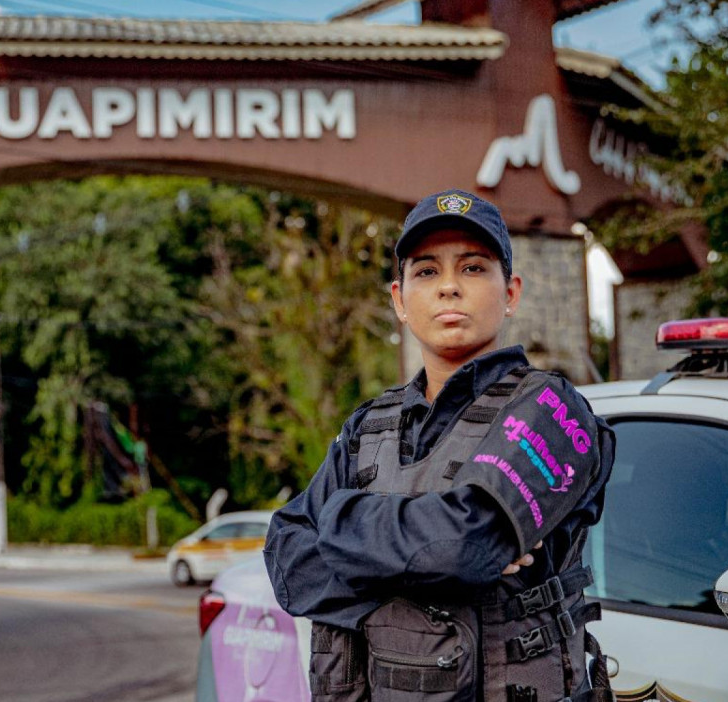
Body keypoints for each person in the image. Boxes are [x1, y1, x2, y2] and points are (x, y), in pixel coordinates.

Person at [264, 189, 616, 702]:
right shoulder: (368, 426)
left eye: (473, 268)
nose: (449, 286)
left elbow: (463, 545)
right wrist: (425, 553)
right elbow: (287, 558)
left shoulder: (553, 411)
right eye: (426, 272)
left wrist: (337, 519)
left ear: (511, 292)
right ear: (400, 300)